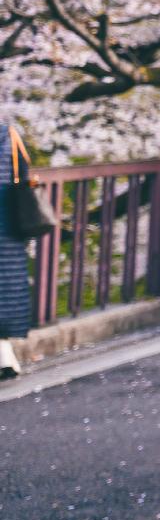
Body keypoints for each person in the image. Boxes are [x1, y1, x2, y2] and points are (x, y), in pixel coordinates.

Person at [1, 112, 38, 378]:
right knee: (6, 291)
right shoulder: (9, 135)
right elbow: (23, 174)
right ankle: (5, 357)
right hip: (8, 226)